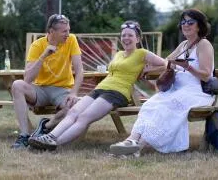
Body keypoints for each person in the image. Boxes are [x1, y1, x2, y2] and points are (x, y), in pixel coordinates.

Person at [28, 20, 166, 151]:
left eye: (130, 35)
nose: (126, 38)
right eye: (123, 35)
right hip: (100, 88)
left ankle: (55, 143)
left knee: (84, 117)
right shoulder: (119, 54)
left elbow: (165, 64)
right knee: (73, 111)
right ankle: (50, 137)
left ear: (138, 38)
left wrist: (147, 70)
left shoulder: (142, 53)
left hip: (117, 93)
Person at [109, 8, 215, 155]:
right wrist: (147, 68)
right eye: (183, 22)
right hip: (176, 89)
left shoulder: (204, 44)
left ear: (199, 25)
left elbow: (206, 75)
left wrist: (188, 67)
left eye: (190, 22)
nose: (186, 25)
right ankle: (131, 141)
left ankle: (135, 149)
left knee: (164, 107)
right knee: (150, 105)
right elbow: (166, 62)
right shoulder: (183, 45)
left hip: (197, 92)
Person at [10, 14, 84, 149]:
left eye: (68, 30)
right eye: (64, 31)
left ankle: (46, 125)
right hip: (40, 90)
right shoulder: (37, 45)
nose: (68, 34)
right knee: (17, 85)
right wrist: (44, 55)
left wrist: (73, 93)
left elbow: (79, 70)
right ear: (51, 32)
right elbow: (27, 79)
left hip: (63, 90)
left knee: (79, 105)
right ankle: (24, 136)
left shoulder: (71, 40)